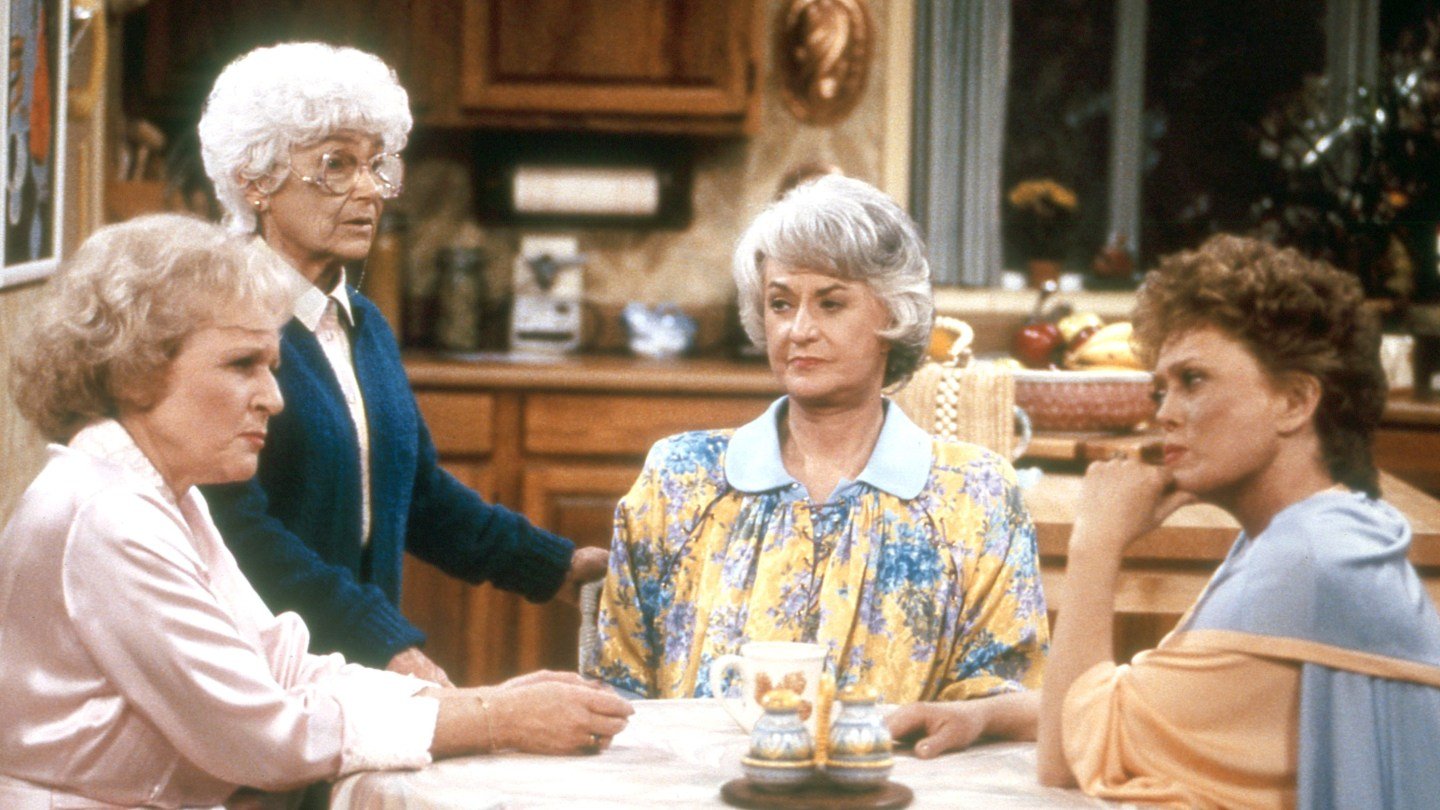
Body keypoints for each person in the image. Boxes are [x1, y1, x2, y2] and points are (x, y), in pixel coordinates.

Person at [0, 215, 632, 807]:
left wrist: (473, 702)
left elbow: (283, 662)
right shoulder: (110, 517)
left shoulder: (160, 492)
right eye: (242, 364)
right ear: (134, 372)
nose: (273, 398)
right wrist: (493, 720)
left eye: (272, 366)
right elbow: (264, 737)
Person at [586, 175, 1047, 750]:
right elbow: (620, 691)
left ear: (893, 316)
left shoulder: (975, 494)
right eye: (780, 303)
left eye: (831, 303)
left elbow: (1003, 697)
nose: (799, 330)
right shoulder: (681, 477)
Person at [196, 42, 606, 684]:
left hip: (350, 671)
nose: (368, 190)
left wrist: (555, 567)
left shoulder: (365, 326)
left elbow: (415, 496)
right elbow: (232, 532)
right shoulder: (219, 326)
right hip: (260, 673)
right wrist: (382, 645)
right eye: (336, 164)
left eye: (375, 164)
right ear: (255, 180)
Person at [1035, 235, 1440, 807]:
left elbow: (1063, 758)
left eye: (1193, 380)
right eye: (1161, 390)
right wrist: (998, 713)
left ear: (1294, 402)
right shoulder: (1331, 533)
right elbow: (1162, 707)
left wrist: (1095, 541)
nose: (1164, 414)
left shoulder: (1307, 561)